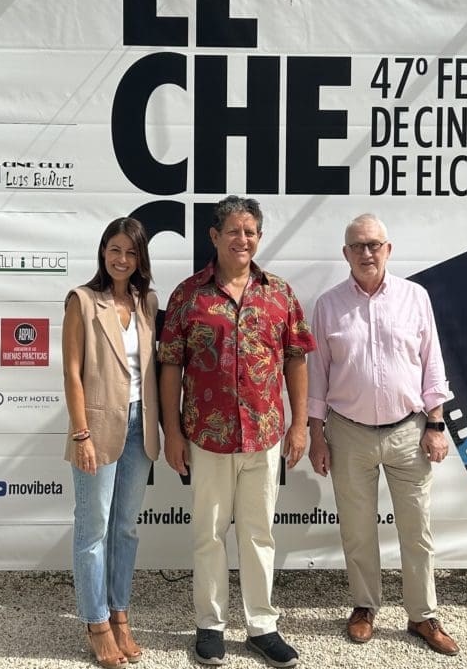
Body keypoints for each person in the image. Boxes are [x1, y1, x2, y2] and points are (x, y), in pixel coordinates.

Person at [158, 195, 316, 669]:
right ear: (214, 236)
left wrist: (300, 425)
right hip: (206, 437)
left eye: (250, 231)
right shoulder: (188, 296)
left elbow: (296, 360)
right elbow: (170, 366)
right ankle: (210, 626)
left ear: (259, 237)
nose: (241, 239)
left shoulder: (279, 294)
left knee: (258, 533)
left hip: (264, 436)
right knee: (208, 534)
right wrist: (172, 433)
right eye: (233, 230)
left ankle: (262, 626)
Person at [306, 213, 460, 657]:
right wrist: (317, 436)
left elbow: (432, 363)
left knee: (417, 530)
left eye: (374, 244)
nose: (366, 253)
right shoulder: (328, 305)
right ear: (345, 254)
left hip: (409, 432)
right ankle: (364, 606)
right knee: (357, 529)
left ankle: (422, 615)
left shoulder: (416, 297)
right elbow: (318, 375)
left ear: (388, 249)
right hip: (348, 433)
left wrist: (436, 425)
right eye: (357, 246)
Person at [63, 217, 160, 668]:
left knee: (125, 528)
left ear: (141, 258)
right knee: (93, 529)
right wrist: (81, 433)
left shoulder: (146, 302)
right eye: (115, 249)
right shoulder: (82, 301)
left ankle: (120, 613)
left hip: (141, 426)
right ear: (103, 252)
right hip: (97, 428)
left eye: (131, 252)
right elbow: (72, 372)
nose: (122, 259)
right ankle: (96, 622)